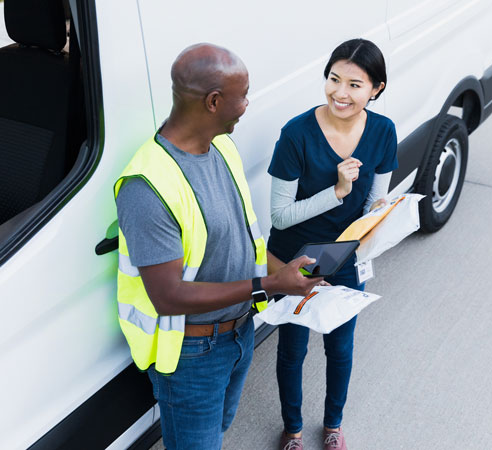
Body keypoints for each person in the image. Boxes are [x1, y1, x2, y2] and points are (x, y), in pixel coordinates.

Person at [114, 43, 322, 450]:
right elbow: (168, 296)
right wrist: (270, 284)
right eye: (242, 95)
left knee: (217, 433)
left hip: (239, 334)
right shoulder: (146, 186)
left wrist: (291, 273)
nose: (247, 104)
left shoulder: (222, 147)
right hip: (194, 353)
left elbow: (245, 243)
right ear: (213, 101)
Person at [267, 39, 398, 450]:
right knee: (293, 349)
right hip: (295, 258)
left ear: (375, 88)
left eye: (355, 85)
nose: (340, 93)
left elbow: (377, 200)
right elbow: (279, 215)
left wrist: (373, 226)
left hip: (344, 254)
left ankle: (333, 425)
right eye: (334, 79)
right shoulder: (297, 134)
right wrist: (338, 192)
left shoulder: (383, 131)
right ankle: (292, 431)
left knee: (340, 346)